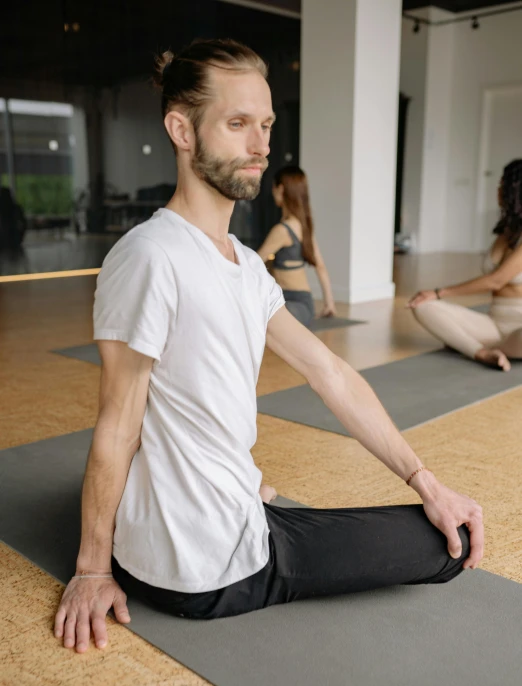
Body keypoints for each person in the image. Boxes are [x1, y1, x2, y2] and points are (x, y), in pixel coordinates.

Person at [54, 39, 483, 653]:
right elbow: (117, 423)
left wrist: (427, 482)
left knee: (424, 511)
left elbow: (329, 371)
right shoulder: (150, 256)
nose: (260, 147)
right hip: (212, 568)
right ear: (181, 129)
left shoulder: (246, 268)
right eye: (237, 125)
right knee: (450, 546)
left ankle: (241, 497)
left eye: (266, 126)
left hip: (201, 529)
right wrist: (92, 570)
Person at [408, 159, 522, 371]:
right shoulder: (505, 232)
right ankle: (481, 352)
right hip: (494, 324)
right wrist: (433, 297)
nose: (497, 189)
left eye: (502, 184)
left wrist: (439, 292)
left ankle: (465, 342)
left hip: (519, 330)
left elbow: (496, 281)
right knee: (422, 305)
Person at [256, 166, 337, 327]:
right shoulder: (303, 226)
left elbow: (254, 262)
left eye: (273, 187)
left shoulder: (282, 230)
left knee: (262, 315)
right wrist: (330, 303)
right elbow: (320, 266)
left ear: (280, 189)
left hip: (292, 304)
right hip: (303, 304)